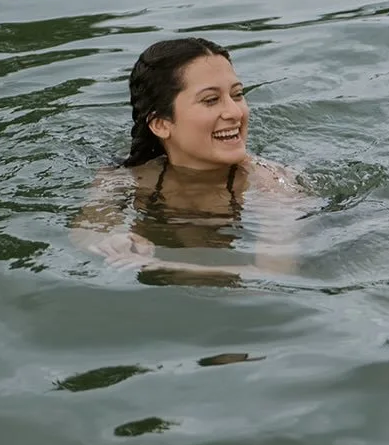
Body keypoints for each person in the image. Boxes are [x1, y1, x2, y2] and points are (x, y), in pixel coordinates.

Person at [74, 36, 300, 276]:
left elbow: (275, 272)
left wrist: (165, 265)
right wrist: (114, 240)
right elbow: (85, 230)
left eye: (237, 95)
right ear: (161, 124)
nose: (235, 112)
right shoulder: (127, 177)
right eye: (211, 100)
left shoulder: (270, 184)